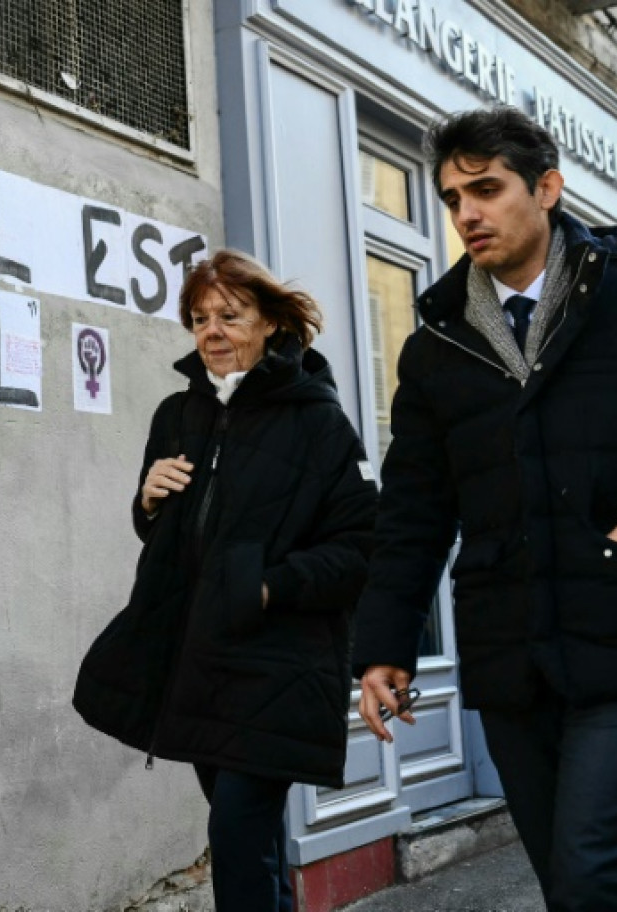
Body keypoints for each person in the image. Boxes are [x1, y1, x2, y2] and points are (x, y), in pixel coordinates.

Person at [351, 106, 617, 912]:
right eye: (451, 198)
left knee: (589, 882)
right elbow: (413, 511)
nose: (467, 213)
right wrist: (384, 646)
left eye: (486, 188)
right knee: (570, 889)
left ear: (546, 188)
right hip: (512, 659)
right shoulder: (437, 342)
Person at [73, 249, 380, 912]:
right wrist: (147, 504)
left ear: (270, 322)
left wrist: (268, 588)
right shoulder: (176, 414)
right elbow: (180, 537)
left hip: (277, 661)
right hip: (199, 658)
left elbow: (358, 549)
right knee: (254, 840)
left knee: (237, 834)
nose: (212, 331)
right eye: (199, 318)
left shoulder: (318, 422)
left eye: (231, 316)